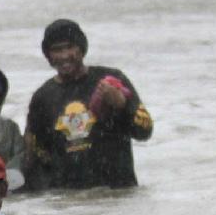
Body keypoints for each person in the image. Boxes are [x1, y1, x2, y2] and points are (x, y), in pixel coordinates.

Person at [22, 18, 153, 191]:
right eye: (56, 50)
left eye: (70, 47)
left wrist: (122, 104)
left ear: (82, 48)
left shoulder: (112, 80)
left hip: (119, 196)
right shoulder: (43, 97)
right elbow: (36, 157)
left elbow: (145, 131)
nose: (64, 55)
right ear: (48, 55)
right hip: (70, 202)